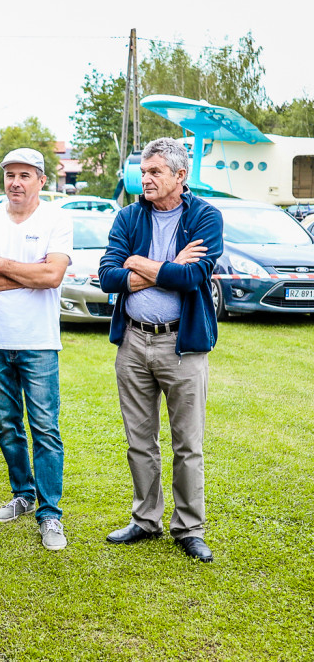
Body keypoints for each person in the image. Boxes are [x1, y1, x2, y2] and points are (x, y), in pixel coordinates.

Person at [98, 137, 223, 563]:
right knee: (139, 440)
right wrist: (165, 267)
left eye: (154, 172)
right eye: (143, 171)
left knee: (188, 443)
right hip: (133, 341)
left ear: (179, 175)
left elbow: (194, 278)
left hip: (182, 345)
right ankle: (146, 520)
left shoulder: (206, 216)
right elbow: (107, 277)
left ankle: (189, 528)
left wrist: (138, 262)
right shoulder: (129, 216)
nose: (145, 179)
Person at [0, 148, 73, 551]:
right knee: (8, 426)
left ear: (41, 180)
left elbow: (53, 275)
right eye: (10, 175)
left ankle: (51, 514)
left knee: (45, 428)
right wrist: (29, 274)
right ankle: (23, 495)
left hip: (39, 342)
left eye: (25, 175)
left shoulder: (56, 220)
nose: (16, 183)